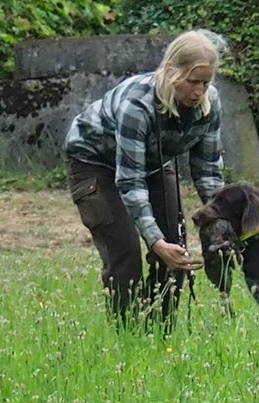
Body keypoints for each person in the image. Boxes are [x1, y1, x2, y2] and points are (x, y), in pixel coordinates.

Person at [64, 29, 227, 330]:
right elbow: (130, 180)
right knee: (125, 252)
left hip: (152, 162)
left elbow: (208, 172)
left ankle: (159, 334)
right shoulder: (137, 106)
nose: (199, 91)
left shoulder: (209, 104)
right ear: (171, 71)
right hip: (94, 162)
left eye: (206, 82)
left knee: (176, 251)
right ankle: (129, 337)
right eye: (192, 81)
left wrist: (223, 222)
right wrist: (154, 240)